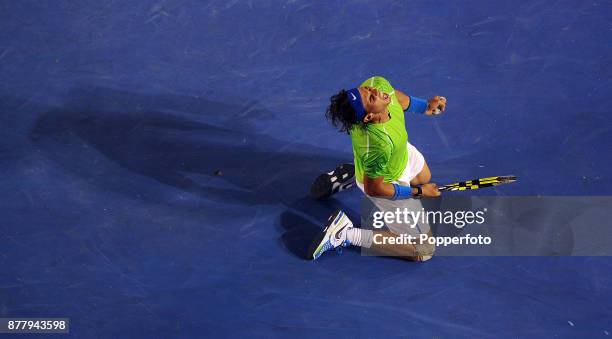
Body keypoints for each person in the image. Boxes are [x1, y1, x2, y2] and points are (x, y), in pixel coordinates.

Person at [309, 76, 446, 261]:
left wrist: (424, 106)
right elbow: (375, 188)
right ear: (369, 117)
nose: (375, 91)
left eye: (367, 91)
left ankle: (356, 172)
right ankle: (345, 233)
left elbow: (395, 95)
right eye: (372, 98)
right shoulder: (377, 145)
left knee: (424, 176)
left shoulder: (376, 85)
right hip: (386, 181)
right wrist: (418, 192)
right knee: (424, 250)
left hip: (399, 153)